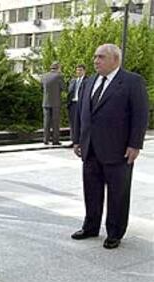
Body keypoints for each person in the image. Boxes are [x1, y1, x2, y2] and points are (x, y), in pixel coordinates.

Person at [72, 44, 149, 249]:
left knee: (118, 193)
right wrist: (78, 139)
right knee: (91, 190)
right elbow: (81, 112)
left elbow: (140, 115)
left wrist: (135, 144)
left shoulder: (132, 81)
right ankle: (91, 226)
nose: (96, 60)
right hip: (90, 148)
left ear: (115, 60)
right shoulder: (89, 82)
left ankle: (115, 232)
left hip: (118, 149)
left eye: (101, 57)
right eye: (95, 57)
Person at [41, 62, 65, 145]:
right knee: (55, 122)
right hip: (56, 103)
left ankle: (45, 139)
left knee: (46, 122)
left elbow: (42, 87)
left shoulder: (44, 76)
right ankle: (55, 140)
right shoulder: (59, 76)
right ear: (58, 67)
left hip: (45, 102)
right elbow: (63, 87)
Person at [67, 64, 87, 145]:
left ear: (84, 71)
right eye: (77, 70)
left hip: (81, 104)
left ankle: (82, 141)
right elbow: (69, 92)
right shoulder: (72, 81)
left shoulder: (87, 81)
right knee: (73, 123)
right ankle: (74, 141)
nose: (78, 72)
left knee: (81, 123)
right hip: (73, 104)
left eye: (80, 70)